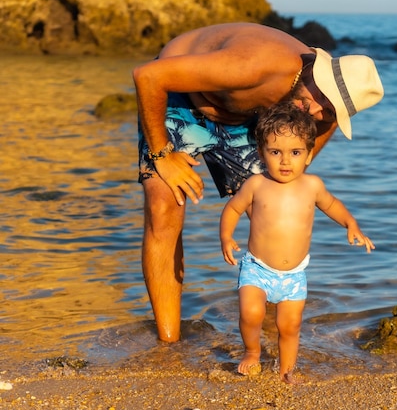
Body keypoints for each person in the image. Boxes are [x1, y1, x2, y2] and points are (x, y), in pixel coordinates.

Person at [133, 22, 384, 343]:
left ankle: (266, 329)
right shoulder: (255, 64)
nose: (318, 111)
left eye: (332, 110)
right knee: (164, 206)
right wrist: (162, 155)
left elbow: (312, 138)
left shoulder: (318, 109)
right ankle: (168, 344)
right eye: (323, 98)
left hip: (246, 118)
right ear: (317, 73)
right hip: (181, 99)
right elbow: (148, 76)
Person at [220, 101, 375, 383]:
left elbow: (332, 205)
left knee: (289, 326)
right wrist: (226, 236)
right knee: (251, 313)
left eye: (295, 152)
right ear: (261, 152)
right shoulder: (256, 184)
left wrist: (351, 224)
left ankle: (286, 370)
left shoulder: (312, 185)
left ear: (308, 154)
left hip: (293, 275)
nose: (285, 161)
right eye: (275, 152)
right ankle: (252, 352)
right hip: (258, 268)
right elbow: (233, 208)